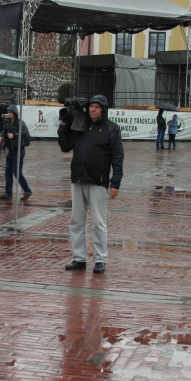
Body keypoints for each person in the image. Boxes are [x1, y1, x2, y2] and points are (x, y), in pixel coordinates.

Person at [58, 95, 124, 274]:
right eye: (91, 106)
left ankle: (100, 259)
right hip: (78, 179)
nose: (93, 109)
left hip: (98, 181)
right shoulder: (80, 125)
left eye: (97, 107)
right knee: (76, 221)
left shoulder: (112, 129)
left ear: (103, 109)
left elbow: (117, 157)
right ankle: (79, 258)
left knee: (98, 222)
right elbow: (65, 147)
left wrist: (115, 182)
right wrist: (63, 126)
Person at [0, 105, 32, 201]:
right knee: (8, 172)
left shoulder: (20, 123)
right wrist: (1, 136)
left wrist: (14, 135)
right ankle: (8, 192)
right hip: (10, 150)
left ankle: (27, 190)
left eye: (10, 112)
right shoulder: (8, 123)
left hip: (18, 150)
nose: (9, 114)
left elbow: (24, 133)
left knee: (17, 172)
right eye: (8, 112)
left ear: (15, 113)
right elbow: (3, 132)